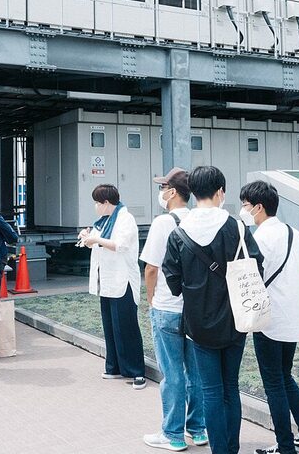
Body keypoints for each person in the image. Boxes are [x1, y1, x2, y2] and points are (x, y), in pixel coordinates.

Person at [163, 166, 263, 454]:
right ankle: (231, 448)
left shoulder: (179, 232)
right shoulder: (238, 227)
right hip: (235, 319)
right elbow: (257, 265)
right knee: (230, 387)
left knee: (210, 391)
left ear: (193, 193)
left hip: (197, 323)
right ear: (221, 191)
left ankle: (219, 450)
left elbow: (172, 280)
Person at [239, 181, 299, 454]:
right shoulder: (293, 233)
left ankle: (286, 447)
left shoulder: (258, 238)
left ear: (258, 207)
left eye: (245, 205)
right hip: (293, 318)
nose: (243, 210)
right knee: (285, 378)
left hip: (269, 321)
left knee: (274, 383)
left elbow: (249, 279)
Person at [140, 168, 207, 451]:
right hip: (195, 309)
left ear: (172, 192)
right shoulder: (199, 219)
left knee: (173, 373)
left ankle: (173, 435)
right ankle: (198, 429)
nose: (161, 192)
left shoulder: (163, 222)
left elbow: (152, 268)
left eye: (163, 186)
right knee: (196, 372)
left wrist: (152, 300)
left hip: (168, 308)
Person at [80, 184, 146, 390]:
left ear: (107, 203)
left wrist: (96, 239)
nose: (96, 207)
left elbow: (120, 245)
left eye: (97, 203)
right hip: (106, 280)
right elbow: (96, 242)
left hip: (122, 279)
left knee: (126, 326)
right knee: (110, 325)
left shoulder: (126, 218)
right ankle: (114, 366)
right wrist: (87, 237)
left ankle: (136, 371)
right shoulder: (104, 221)